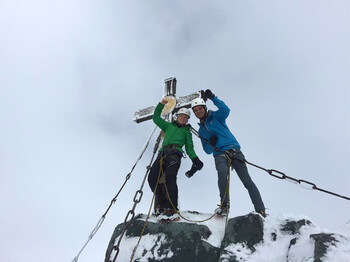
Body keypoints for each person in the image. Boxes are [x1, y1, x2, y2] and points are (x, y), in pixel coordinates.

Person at [191, 89, 266, 217]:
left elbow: (226, 110)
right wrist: (212, 144)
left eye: (200, 109)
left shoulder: (216, 116)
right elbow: (207, 150)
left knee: (247, 181)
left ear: (204, 107)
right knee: (222, 173)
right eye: (196, 110)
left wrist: (213, 98)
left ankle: (261, 210)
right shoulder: (201, 131)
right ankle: (224, 206)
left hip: (234, 150)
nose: (198, 112)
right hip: (219, 154)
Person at [148, 97, 204, 216]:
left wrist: (195, 159)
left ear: (187, 120)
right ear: (177, 117)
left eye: (185, 117)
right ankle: (162, 203)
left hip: (175, 155)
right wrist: (161, 104)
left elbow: (189, 148)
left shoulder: (187, 132)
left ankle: (172, 207)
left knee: (170, 178)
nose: (183, 118)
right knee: (152, 178)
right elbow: (156, 118)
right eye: (181, 116)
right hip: (162, 154)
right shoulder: (168, 126)